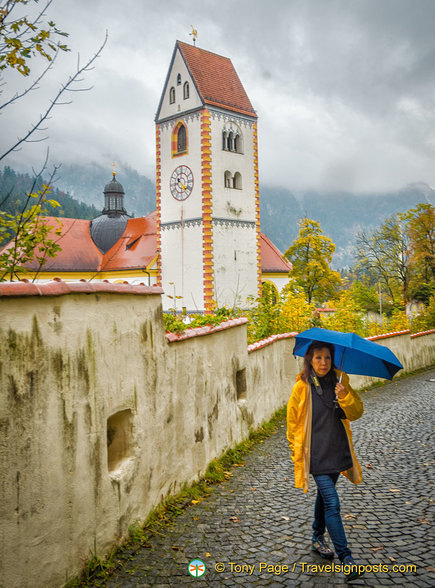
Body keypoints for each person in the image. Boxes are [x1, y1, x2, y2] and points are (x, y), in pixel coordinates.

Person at [286, 341, 364, 582]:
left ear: (333, 360)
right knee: (332, 502)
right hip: (316, 455)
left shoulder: (341, 382)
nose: (323, 363)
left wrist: (346, 396)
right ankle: (347, 559)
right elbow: (292, 424)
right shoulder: (301, 386)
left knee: (324, 497)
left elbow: (357, 412)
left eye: (327, 358)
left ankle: (317, 537)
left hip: (337, 451)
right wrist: (297, 455)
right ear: (309, 359)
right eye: (318, 357)